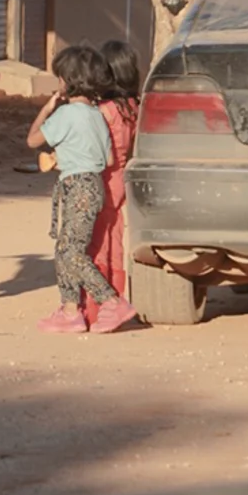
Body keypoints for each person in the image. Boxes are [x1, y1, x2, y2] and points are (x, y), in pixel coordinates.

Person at [26, 45, 138, 335]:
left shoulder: (66, 115)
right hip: (95, 184)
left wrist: (47, 109)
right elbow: (109, 159)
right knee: (65, 249)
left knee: (72, 251)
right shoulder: (97, 115)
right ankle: (70, 310)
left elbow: (33, 140)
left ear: (68, 81)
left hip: (75, 186)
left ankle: (110, 300)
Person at [84, 40, 141, 325]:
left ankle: (97, 306)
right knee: (115, 241)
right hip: (123, 178)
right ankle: (117, 299)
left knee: (96, 243)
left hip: (103, 180)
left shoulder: (103, 111)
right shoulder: (134, 106)